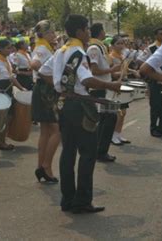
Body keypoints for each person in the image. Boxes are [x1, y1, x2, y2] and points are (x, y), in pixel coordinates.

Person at [52, 15, 121, 214]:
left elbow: (46, 74)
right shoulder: (78, 53)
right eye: (87, 29)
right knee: (88, 153)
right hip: (78, 106)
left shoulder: (60, 51)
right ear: (80, 31)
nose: (89, 33)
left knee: (68, 152)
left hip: (63, 103)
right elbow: (87, 80)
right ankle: (82, 201)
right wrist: (110, 84)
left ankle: (67, 199)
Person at [30, 20, 61, 182]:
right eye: (51, 32)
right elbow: (34, 64)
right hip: (45, 91)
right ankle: (46, 166)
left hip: (42, 90)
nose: (54, 35)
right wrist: (49, 79)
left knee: (46, 131)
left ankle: (41, 166)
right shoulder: (42, 48)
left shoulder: (45, 46)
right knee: (57, 130)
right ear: (44, 34)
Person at [87, 24, 121, 162]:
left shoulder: (101, 47)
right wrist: (112, 71)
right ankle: (100, 152)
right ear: (101, 32)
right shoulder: (94, 48)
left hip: (104, 88)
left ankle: (100, 150)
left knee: (108, 119)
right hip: (97, 90)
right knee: (108, 119)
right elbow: (94, 70)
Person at [0, 39, 25, 150]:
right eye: (8, 48)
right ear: (1, 49)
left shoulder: (6, 60)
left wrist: (21, 88)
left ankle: (2, 140)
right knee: (4, 117)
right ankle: (1, 142)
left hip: (7, 89)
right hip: (1, 89)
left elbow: (11, 78)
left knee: (9, 116)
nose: (10, 50)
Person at [138, 28, 162, 137]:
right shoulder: (151, 48)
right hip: (155, 80)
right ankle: (153, 128)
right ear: (156, 36)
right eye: (161, 34)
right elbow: (140, 60)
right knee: (155, 105)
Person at [109, 35, 136, 145]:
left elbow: (124, 68)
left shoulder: (122, 56)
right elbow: (110, 73)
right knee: (117, 112)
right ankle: (112, 135)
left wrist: (132, 71)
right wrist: (121, 73)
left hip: (123, 84)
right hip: (115, 86)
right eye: (118, 43)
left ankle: (118, 134)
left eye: (122, 43)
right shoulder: (110, 57)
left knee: (123, 112)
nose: (121, 45)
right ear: (112, 45)